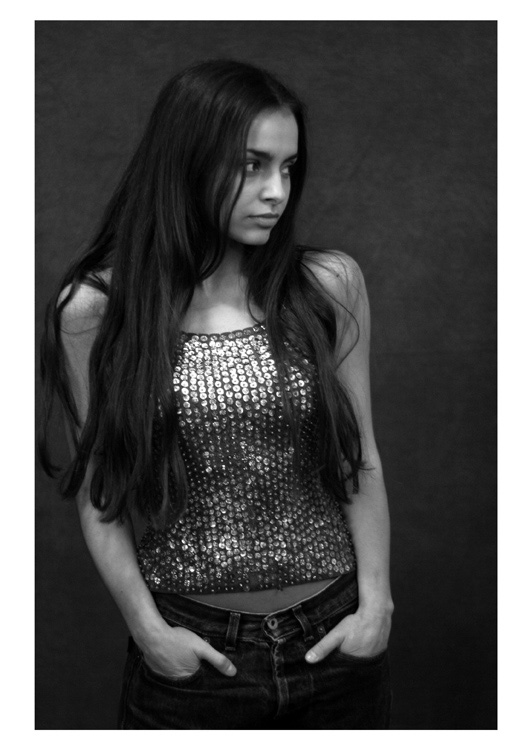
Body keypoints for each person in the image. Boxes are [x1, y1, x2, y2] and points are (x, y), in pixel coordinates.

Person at [39, 59, 393, 730]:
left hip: (334, 639)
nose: (276, 192)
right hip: (196, 659)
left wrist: (377, 604)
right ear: (189, 161)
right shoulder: (95, 309)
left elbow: (361, 458)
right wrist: (149, 631)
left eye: (288, 168)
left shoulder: (327, 285)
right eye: (252, 166)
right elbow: (98, 491)